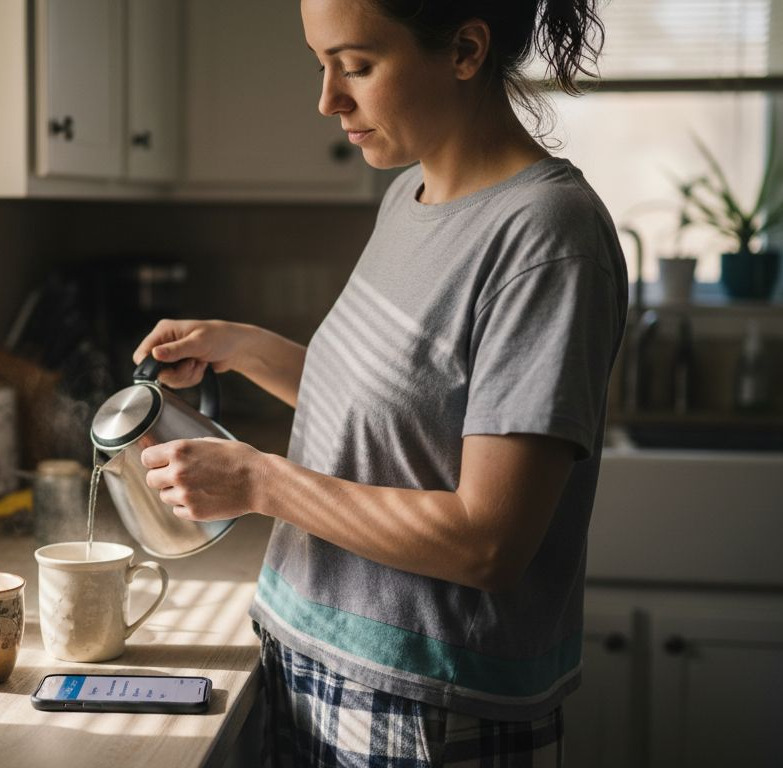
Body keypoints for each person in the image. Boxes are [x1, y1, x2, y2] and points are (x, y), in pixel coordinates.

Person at [132, 0, 626, 765]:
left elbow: (488, 542)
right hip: (309, 656)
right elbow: (400, 420)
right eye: (320, 63)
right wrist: (245, 348)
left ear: (464, 50)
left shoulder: (546, 235)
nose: (328, 99)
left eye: (356, 66)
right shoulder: (410, 195)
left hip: (423, 703)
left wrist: (263, 483)